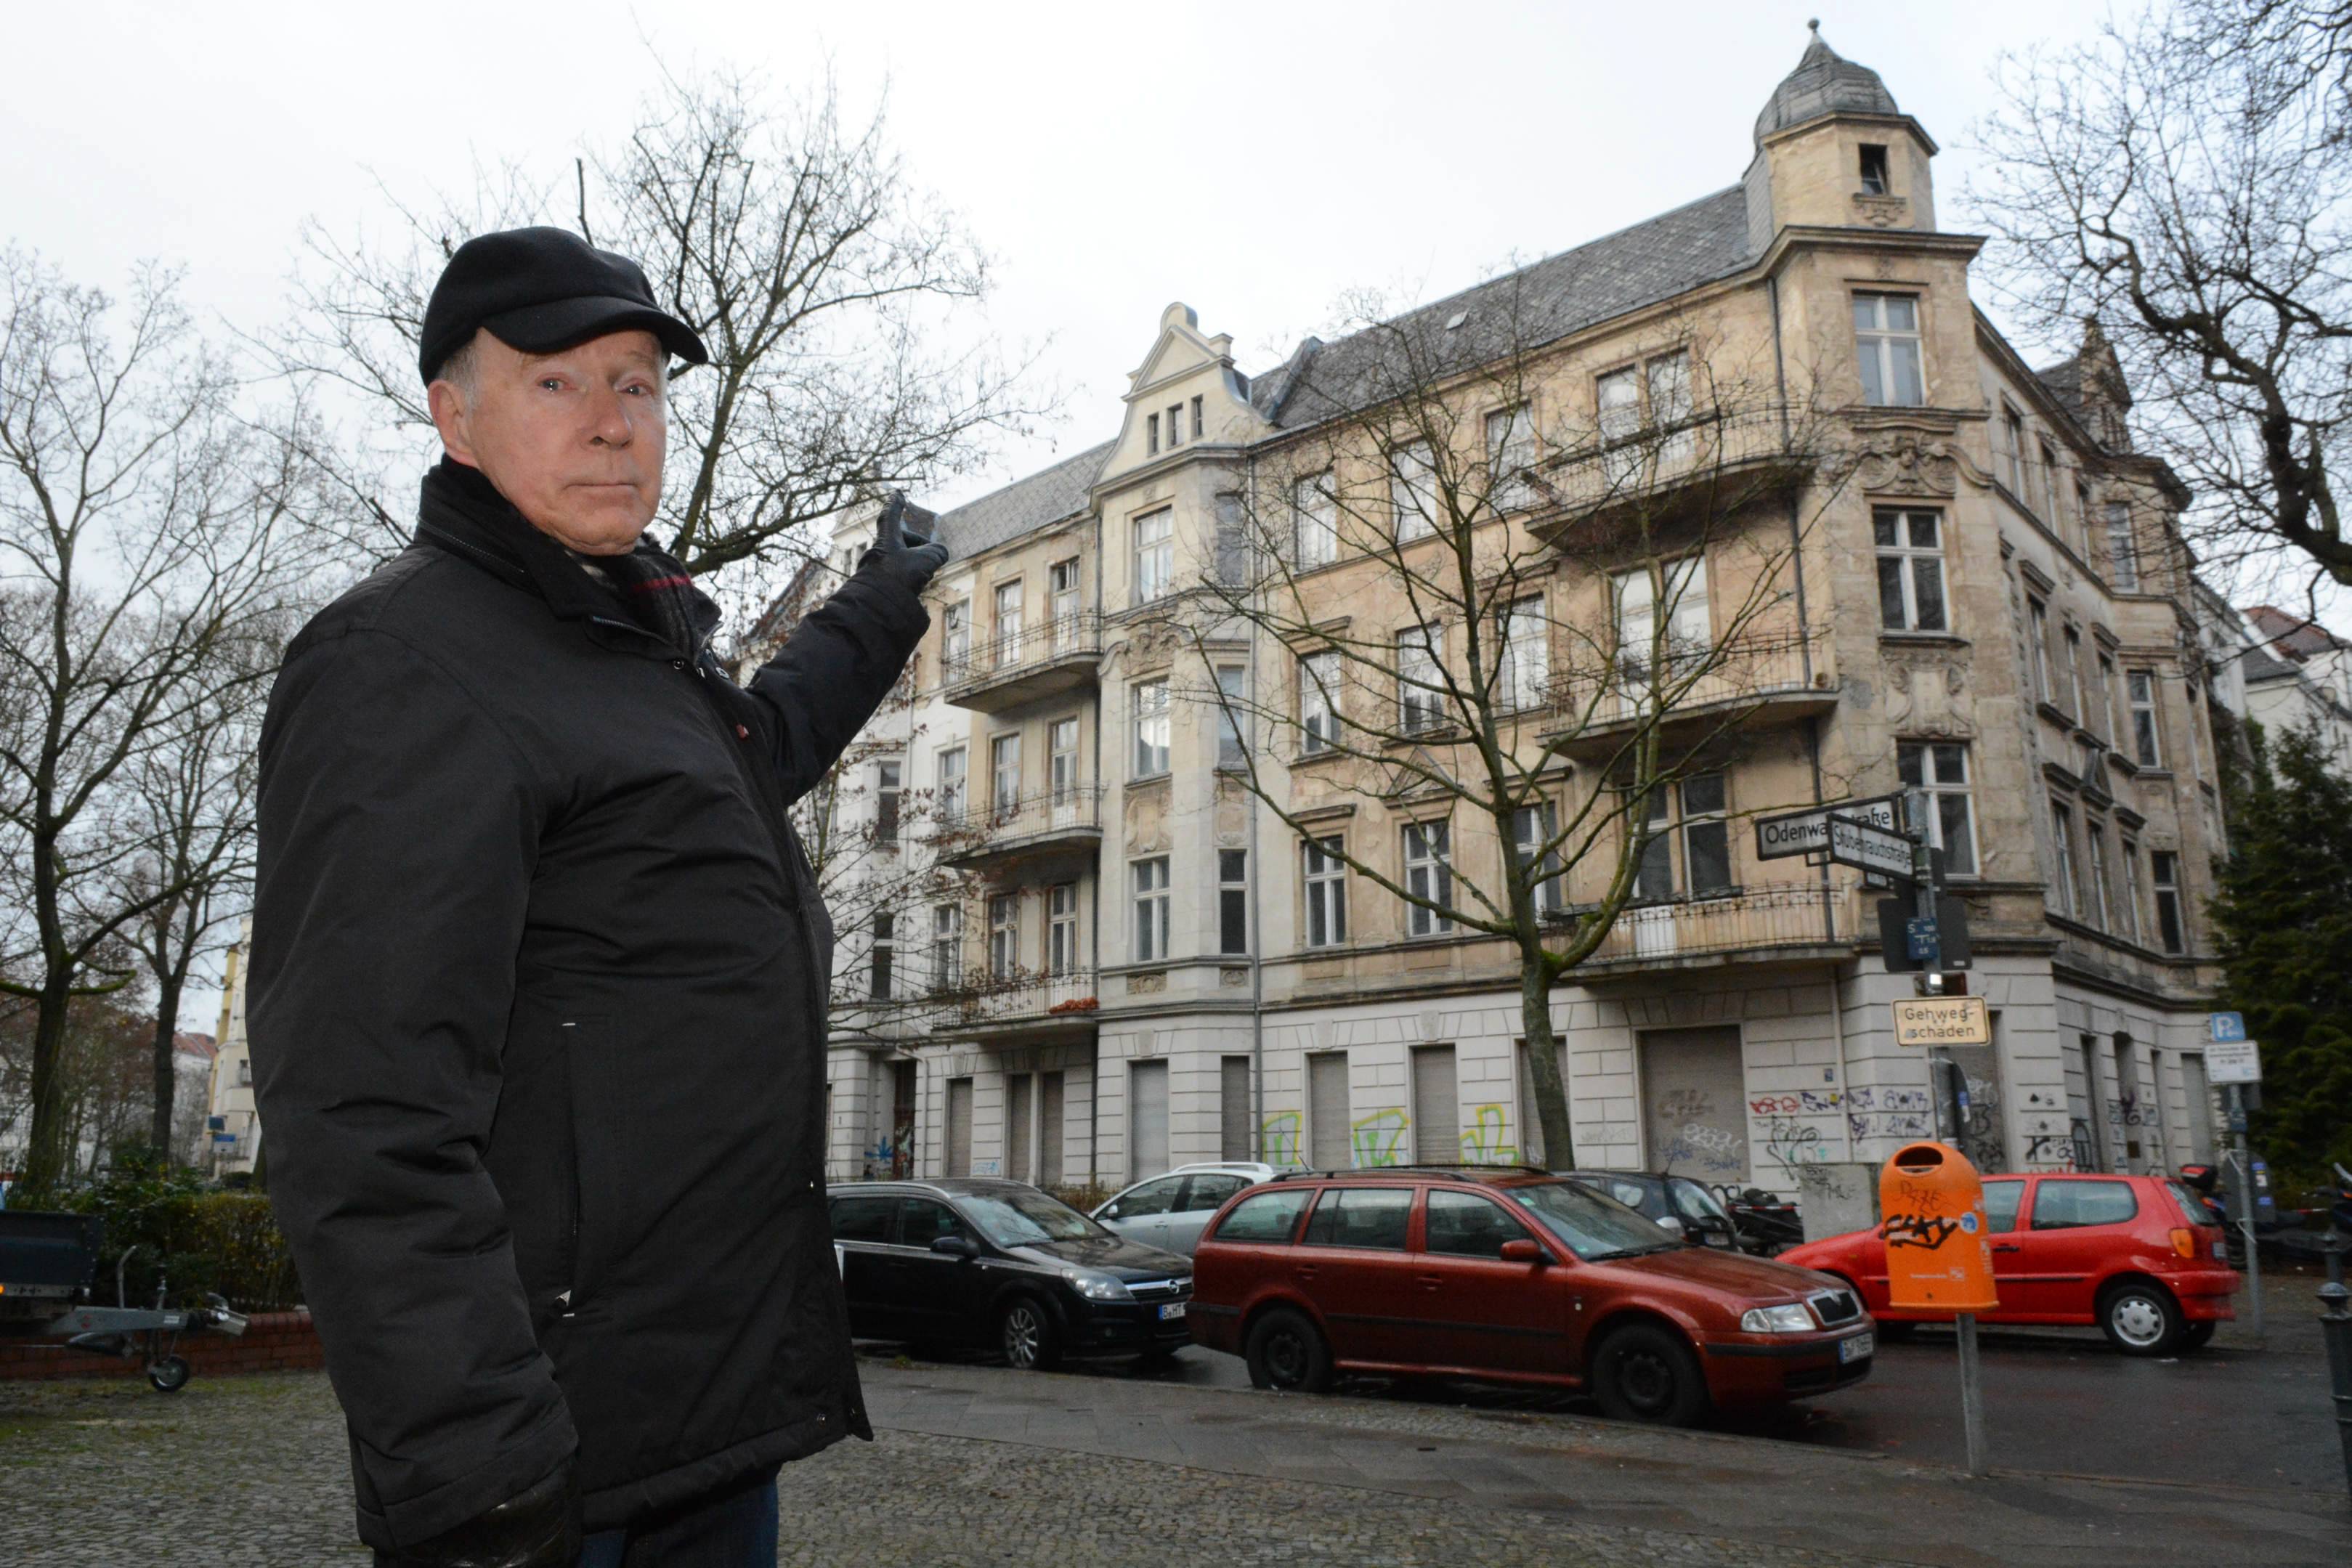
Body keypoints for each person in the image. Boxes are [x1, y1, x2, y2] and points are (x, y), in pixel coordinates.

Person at [248, 226, 945, 1567]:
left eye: (637, 385)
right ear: (455, 417)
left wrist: (885, 598)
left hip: (703, 1423)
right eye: (557, 384)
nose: (615, 424)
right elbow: (359, 1108)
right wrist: (476, 1470)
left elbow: (755, 755)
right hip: (552, 1459)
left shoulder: (628, 646)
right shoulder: (405, 662)